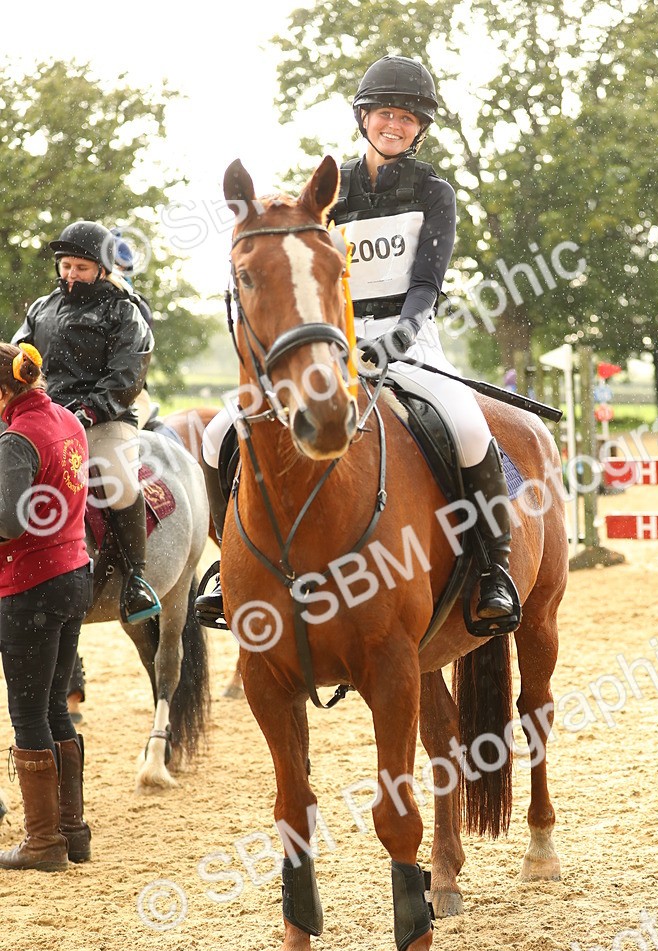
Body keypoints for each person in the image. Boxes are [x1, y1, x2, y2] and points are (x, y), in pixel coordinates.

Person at [195, 55, 519, 629]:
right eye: (384, 114)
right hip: (331, 340)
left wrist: (397, 337)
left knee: (469, 428)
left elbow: (427, 284)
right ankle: (229, 566)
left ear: (420, 129)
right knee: (221, 430)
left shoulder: (434, 193)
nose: (394, 125)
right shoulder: (330, 192)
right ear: (364, 118)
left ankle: (494, 568)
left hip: (409, 338)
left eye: (408, 118)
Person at [13, 220, 161, 624]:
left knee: (118, 476)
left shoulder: (124, 312)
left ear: (101, 269)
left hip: (104, 419)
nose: (71, 275)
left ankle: (136, 579)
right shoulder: (42, 308)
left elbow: (127, 376)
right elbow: (19, 359)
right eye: (65, 266)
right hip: (45, 415)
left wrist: (90, 409)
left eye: (80, 267)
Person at [0, 342, 93, 872]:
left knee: (28, 714)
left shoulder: (16, 438)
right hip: (73, 574)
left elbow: (9, 522)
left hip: (29, 586)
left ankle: (41, 843)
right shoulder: (64, 418)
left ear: (6, 390)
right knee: (56, 705)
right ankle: (72, 831)